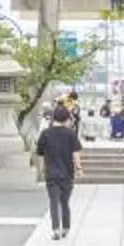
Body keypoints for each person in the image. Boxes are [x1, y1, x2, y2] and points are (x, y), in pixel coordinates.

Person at [35, 102, 80, 239]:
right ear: (66, 118)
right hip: (67, 173)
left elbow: (40, 153)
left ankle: (55, 229)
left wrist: (42, 168)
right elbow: (76, 153)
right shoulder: (70, 134)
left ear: (54, 118)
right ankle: (66, 227)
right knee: (65, 201)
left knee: (53, 201)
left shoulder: (45, 134)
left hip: (51, 173)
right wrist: (78, 168)